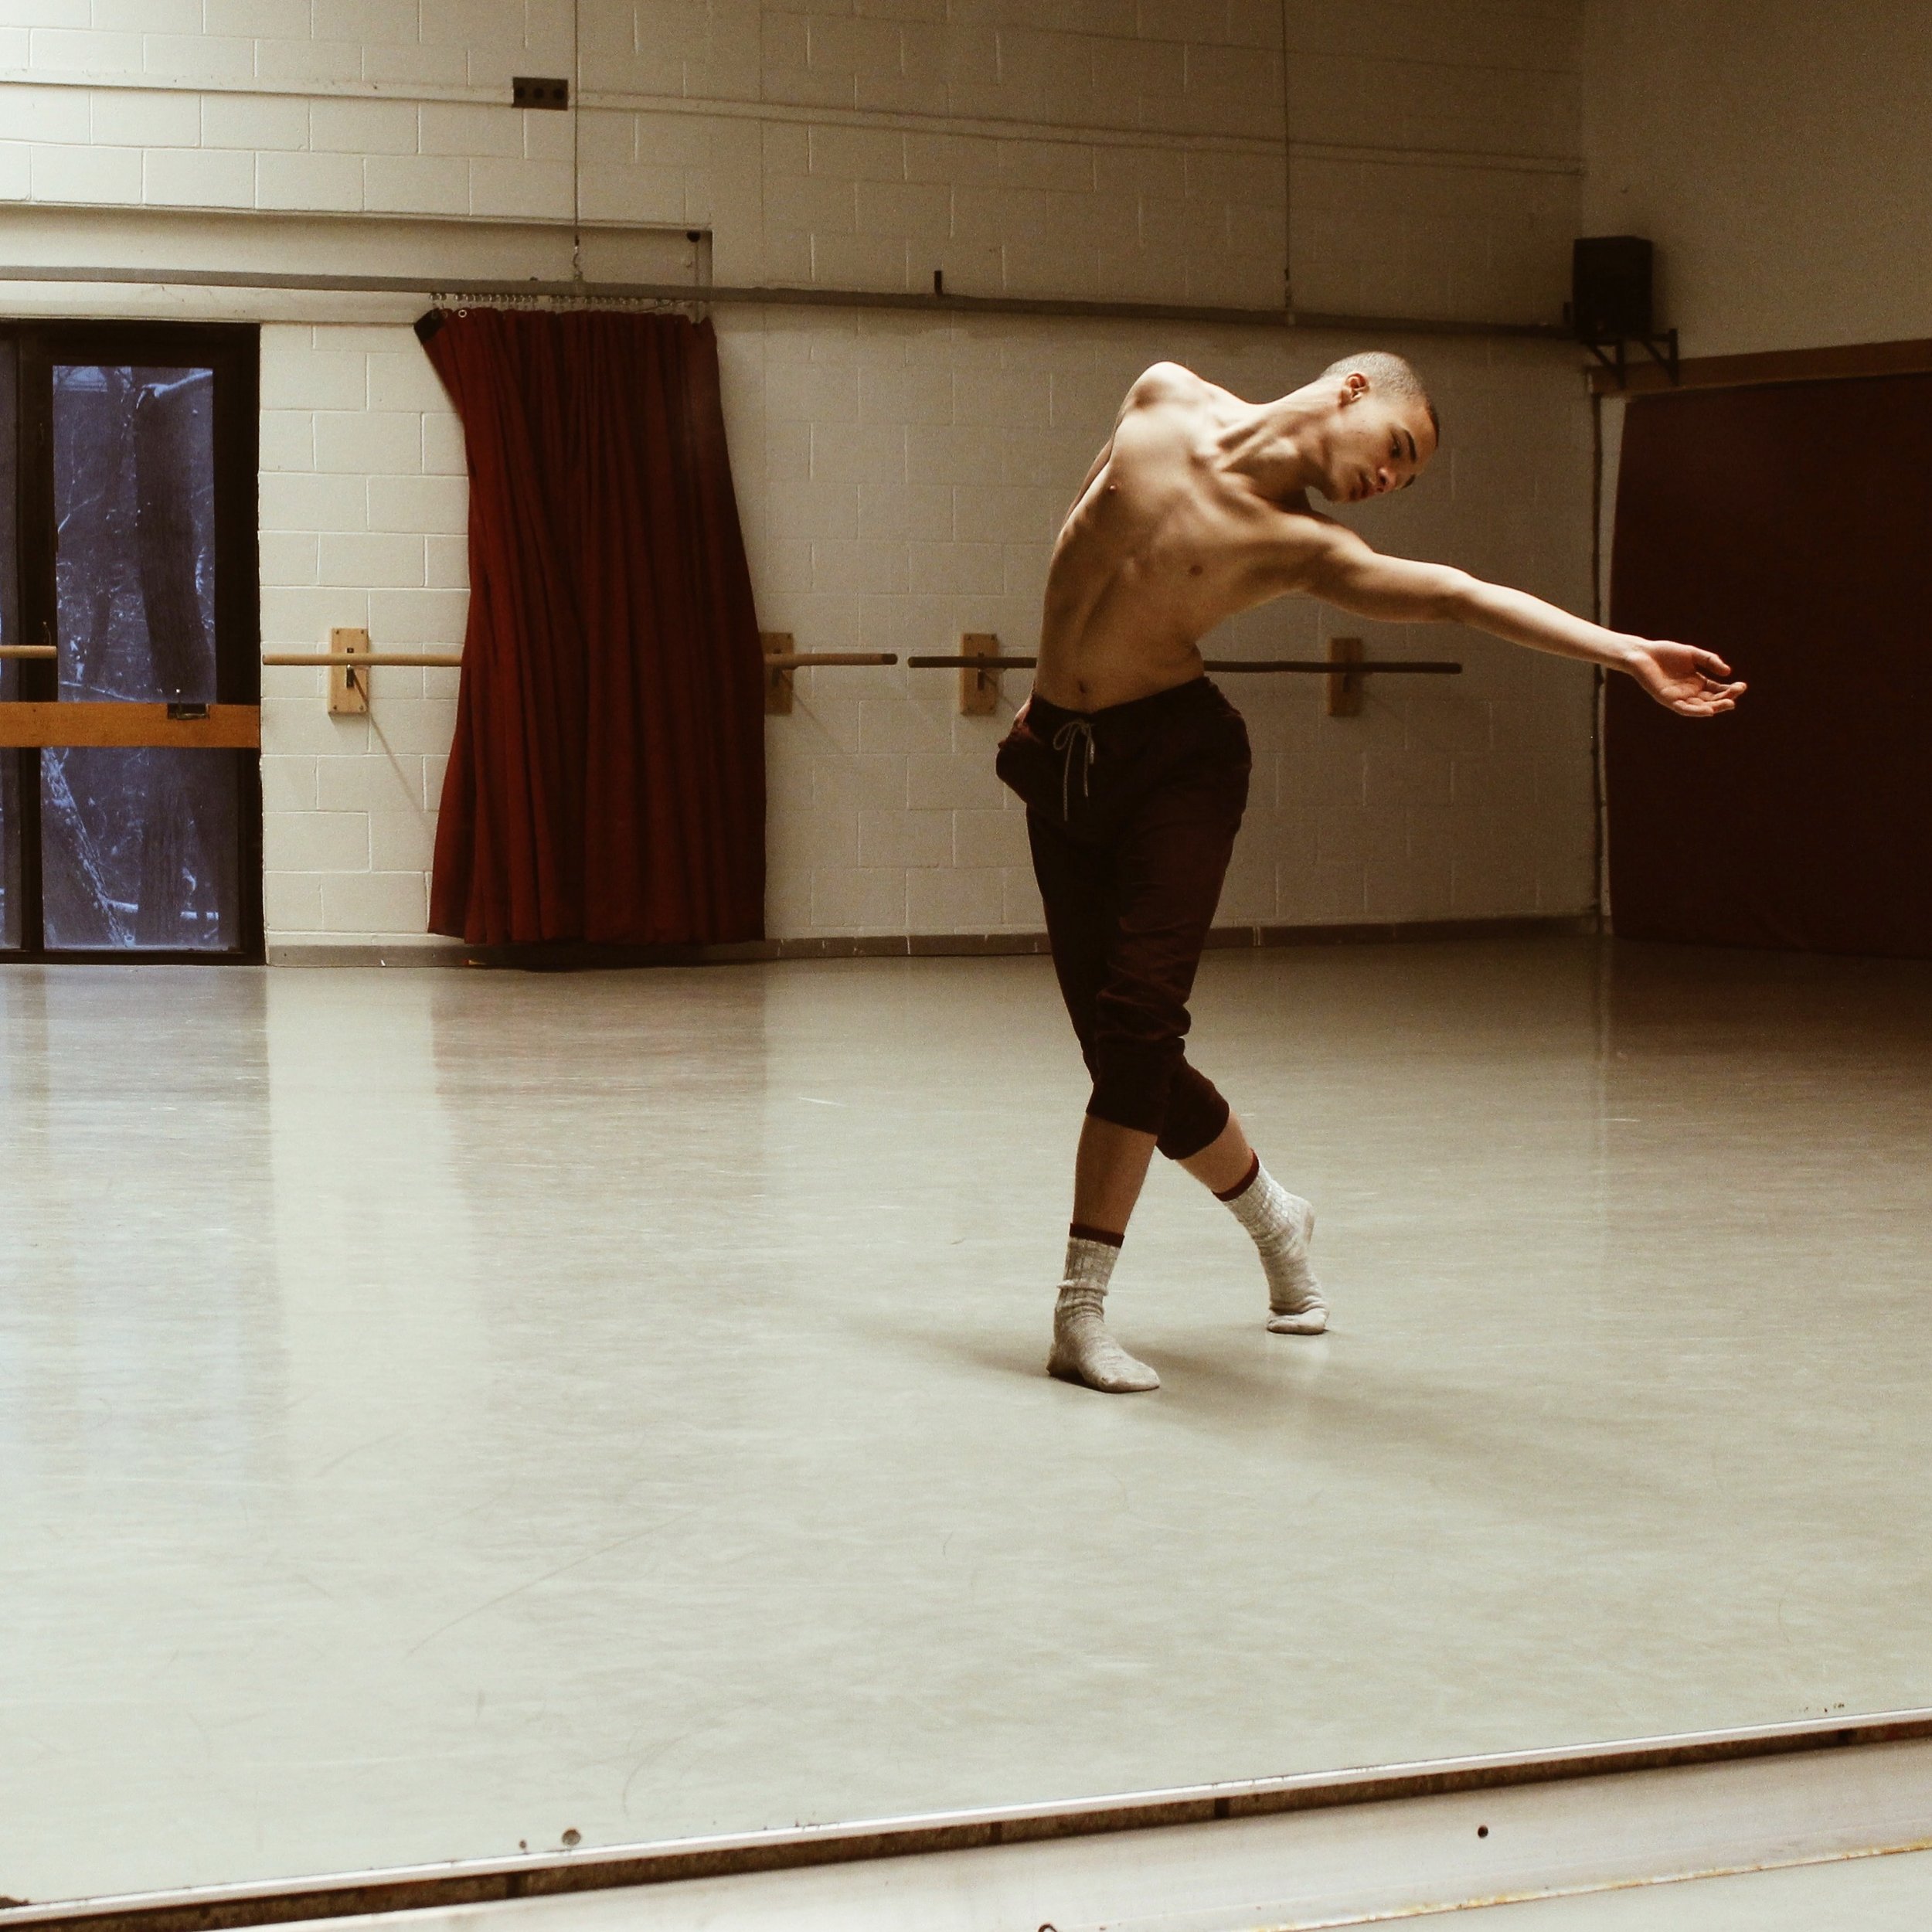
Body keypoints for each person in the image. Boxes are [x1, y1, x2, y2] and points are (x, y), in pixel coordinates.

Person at [995, 351, 1746, 1395]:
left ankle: (1081, 1314)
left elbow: (1459, 596)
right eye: (1397, 450)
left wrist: (1625, 653)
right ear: (1351, 390)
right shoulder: (1161, 395)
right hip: (1063, 757)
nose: (1389, 482)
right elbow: (1088, 544)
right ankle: (1277, 1218)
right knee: (1127, 1062)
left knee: (1139, 1030)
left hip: (1179, 765)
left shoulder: (1304, 548)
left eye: (1407, 479)